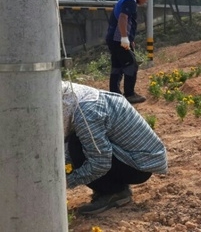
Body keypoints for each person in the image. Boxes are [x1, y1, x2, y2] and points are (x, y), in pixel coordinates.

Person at [62, 81, 168, 215]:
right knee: (80, 142)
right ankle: (113, 187)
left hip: (139, 166)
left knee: (76, 145)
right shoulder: (76, 96)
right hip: (136, 159)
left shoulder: (86, 114)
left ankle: (113, 191)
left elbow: (100, 162)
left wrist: (65, 182)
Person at [105, 0, 153, 104]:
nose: (146, 1)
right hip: (118, 39)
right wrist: (124, 38)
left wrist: (129, 40)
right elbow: (123, 18)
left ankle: (114, 94)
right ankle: (130, 94)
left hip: (114, 39)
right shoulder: (130, 1)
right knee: (131, 64)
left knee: (117, 66)